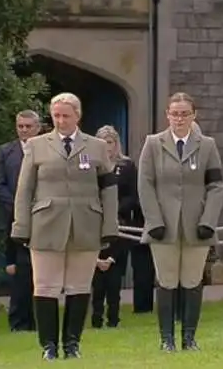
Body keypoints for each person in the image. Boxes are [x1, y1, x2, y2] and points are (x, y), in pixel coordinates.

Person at [10, 93, 119, 360]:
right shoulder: (36, 145)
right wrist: (21, 226)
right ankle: (49, 346)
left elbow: (108, 189)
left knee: (79, 286)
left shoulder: (96, 147)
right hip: (46, 224)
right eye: (56, 115)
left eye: (65, 115)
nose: (60, 121)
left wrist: (109, 225)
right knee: (45, 286)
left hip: (86, 223)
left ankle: (72, 344)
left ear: (77, 116)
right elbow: (25, 189)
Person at [138, 92, 223, 352]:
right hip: (163, 226)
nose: (179, 118)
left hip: (195, 226)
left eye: (184, 113)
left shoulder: (207, 145)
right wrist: (153, 219)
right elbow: (145, 183)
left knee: (191, 280)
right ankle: (167, 339)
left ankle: (189, 338)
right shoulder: (153, 144)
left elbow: (216, 185)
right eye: (175, 113)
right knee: (166, 281)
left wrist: (208, 220)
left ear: (193, 116)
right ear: (167, 115)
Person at [0, 110, 41, 333]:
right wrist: (17, 205)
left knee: (38, 273)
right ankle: (19, 323)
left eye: (28, 126)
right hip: (14, 218)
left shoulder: (45, 149)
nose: (23, 130)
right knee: (19, 272)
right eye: (20, 126)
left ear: (38, 127)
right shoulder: (6, 152)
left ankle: (37, 321)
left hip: (42, 217)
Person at [90, 125, 139, 328]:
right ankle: (95, 318)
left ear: (116, 143)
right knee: (97, 280)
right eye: (102, 142)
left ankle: (114, 318)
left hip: (121, 224)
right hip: (95, 223)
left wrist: (116, 208)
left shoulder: (126, 166)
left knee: (113, 277)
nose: (106, 146)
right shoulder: (89, 164)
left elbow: (133, 195)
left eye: (109, 142)